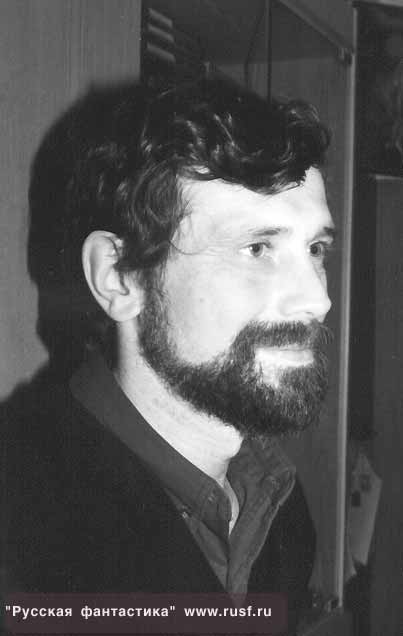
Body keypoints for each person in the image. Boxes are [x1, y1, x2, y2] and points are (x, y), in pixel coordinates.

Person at [2, 78, 334, 634]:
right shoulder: (22, 532)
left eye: (316, 249)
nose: (318, 300)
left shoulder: (278, 507)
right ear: (119, 277)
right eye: (257, 249)